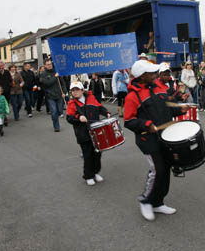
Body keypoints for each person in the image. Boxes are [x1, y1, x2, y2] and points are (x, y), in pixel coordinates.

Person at [124, 60, 186, 221]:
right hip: (147, 139)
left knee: (166, 169)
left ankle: (158, 202)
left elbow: (167, 106)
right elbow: (128, 121)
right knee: (157, 169)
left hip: (165, 135)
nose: (155, 75)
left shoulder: (159, 87)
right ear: (142, 76)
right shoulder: (132, 96)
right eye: (152, 73)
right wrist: (147, 124)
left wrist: (180, 109)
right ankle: (146, 200)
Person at [66, 81, 111, 186]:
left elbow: (100, 107)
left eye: (77, 89)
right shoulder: (72, 104)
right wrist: (78, 117)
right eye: (73, 90)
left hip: (96, 131)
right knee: (88, 155)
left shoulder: (91, 98)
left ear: (82, 90)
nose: (75, 92)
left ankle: (95, 172)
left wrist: (107, 113)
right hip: (83, 133)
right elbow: (69, 118)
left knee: (98, 153)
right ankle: (88, 175)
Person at [40, 59, 67, 132]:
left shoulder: (56, 72)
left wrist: (64, 92)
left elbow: (63, 83)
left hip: (59, 94)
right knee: (54, 111)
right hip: (50, 96)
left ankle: (55, 117)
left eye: (50, 64)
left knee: (59, 110)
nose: (49, 65)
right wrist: (55, 77)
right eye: (48, 64)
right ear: (45, 65)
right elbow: (47, 83)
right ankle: (56, 126)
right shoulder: (43, 74)